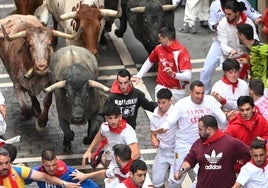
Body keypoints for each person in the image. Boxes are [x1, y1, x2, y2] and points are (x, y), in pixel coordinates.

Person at [157, 80, 231, 187]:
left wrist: (228, 119)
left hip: (205, 146)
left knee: (204, 176)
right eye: (197, 93)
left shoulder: (210, 100)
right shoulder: (181, 104)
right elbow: (169, 122)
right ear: (190, 92)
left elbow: (223, 120)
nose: (200, 96)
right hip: (184, 145)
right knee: (177, 177)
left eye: (202, 93)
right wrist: (161, 129)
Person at [200, 0, 261, 94]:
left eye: (229, 14)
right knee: (208, 69)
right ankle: (204, 93)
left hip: (243, 56)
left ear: (237, 13)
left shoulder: (248, 22)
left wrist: (250, 56)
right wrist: (230, 50)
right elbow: (223, 43)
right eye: (225, 14)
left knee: (243, 86)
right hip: (228, 55)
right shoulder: (222, 23)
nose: (226, 16)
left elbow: (254, 40)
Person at [175, 115, 251, 187]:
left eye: (200, 129)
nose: (198, 131)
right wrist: (181, 171)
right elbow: (190, 160)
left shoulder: (231, 143)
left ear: (209, 130)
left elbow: (252, 154)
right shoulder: (198, 143)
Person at [132, 26, 192, 102]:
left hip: (177, 92)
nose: (159, 40)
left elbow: (188, 76)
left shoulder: (181, 52)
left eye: (160, 38)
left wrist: (173, 74)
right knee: (160, 112)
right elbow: (150, 61)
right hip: (161, 88)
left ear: (165, 39)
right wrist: (139, 75)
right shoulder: (158, 48)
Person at [82, 102, 140, 168]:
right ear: (106, 118)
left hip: (126, 161)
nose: (113, 121)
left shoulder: (127, 132)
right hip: (113, 156)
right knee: (105, 159)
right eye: (110, 118)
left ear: (120, 117)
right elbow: (100, 135)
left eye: (116, 118)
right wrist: (89, 150)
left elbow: (136, 153)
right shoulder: (105, 127)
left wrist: (122, 168)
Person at [73, 144, 152, 188]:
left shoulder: (138, 172)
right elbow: (105, 173)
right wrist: (85, 176)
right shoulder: (119, 170)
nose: (142, 178)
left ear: (118, 159)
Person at [0, 147, 80, 188]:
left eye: (6, 163)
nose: (4, 167)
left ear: (10, 160)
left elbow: (43, 177)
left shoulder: (18, 170)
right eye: (0, 164)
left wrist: (64, 184)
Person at [25, 149, 98, 188]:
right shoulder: (36, 172)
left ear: (57, 161)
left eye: (54, 165)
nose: (51, 168)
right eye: (48, 166)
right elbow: (22, 180)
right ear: (42, 163)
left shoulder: (70, 173)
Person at [150, 88, 177, 188]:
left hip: (176, 152)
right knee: (156, 182)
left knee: (173, 183)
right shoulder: (154, 114)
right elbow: (153, 133)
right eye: (159, 102)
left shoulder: (177, 113)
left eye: (163, 102)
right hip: (162, 152)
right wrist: (153, 139)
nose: (160, 106)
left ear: (170, 101)